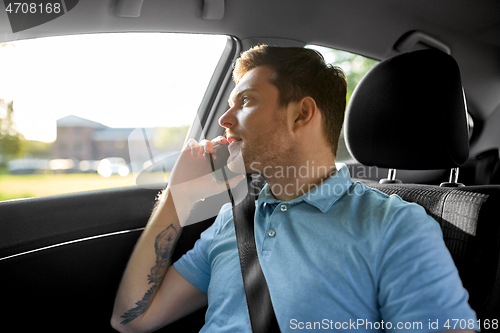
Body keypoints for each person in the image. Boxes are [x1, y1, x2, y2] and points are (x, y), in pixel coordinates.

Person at [111, 45, 478, 332]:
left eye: (246, 101)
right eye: (228, 106)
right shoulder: (232, 220)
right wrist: (178, 197)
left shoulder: (394, 228)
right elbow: (132, 319)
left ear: (301, 114)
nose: (224, 120)